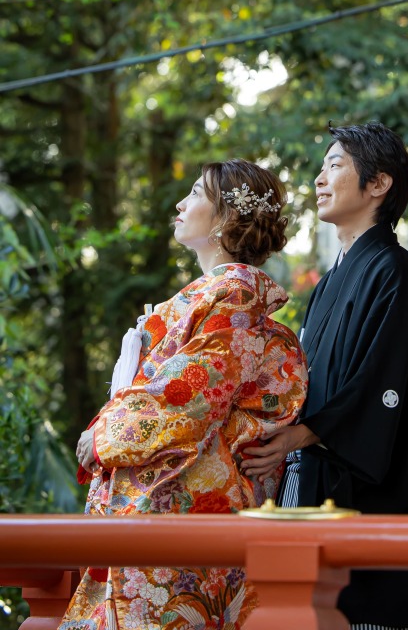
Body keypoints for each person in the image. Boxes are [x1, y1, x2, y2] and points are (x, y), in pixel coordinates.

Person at [60, 159, 307, 630]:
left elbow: (188, 395)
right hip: (174, 497)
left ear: (225, 218)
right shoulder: (212, 296)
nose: (180, 202)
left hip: (187, 501)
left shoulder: (235, 296)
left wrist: (106, 433)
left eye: (195, 193)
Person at [241, 123, 408, 630]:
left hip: (381, 498)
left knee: (378, 607)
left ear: (378, 184)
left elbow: (380, 382)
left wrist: (302, 433)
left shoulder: (396, 271)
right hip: (319, 485)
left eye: (335, 165)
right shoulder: (332, 280)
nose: (319, 178)